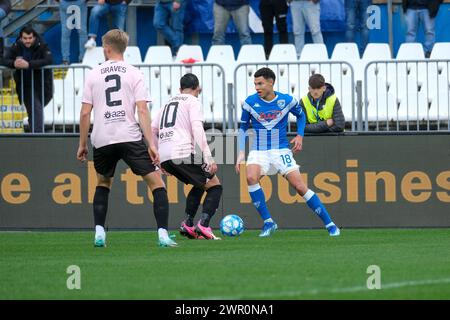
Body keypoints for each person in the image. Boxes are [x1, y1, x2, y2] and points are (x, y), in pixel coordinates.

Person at [77, 29, 177, 248]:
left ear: (106, 48)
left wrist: (83, 144)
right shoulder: (134, 73)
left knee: (103, 183)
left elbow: (85, 113)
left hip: (102, 138)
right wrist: (151, 143)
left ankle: (99, 233)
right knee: (157, 184)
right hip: (129, 136)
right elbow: (142, 111)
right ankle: (162, 235)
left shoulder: (93, 74)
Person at [235, 67, 340, 237]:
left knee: (300, 187)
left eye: (260, 83)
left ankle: (330, 224)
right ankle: (268, 222)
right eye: (255, 84)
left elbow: (301, 116)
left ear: (271, 82)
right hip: (259, 149)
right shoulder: (249, 102)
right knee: (250, 177)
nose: (257, 87)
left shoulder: (287, 100)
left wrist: (300, 135)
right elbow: (243, 128)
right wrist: (240, 151)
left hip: (280, 148)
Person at [151, 73, 223, 240]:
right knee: (215, 186)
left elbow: (152, 130)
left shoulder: (166, 104)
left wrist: (158, 158)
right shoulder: (193, 101)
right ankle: (203, 225)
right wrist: (207, 156)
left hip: (166, 156)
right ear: (198, 88)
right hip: (182, 151)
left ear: (180, 89)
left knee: (200, 184)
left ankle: (188, 224)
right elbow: (197, 128)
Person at [1, 26, 53, 133]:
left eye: (30, 38)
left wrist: (29, 64)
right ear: (21, 38)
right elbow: (3, 60)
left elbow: (49, 60)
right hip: (26, 85)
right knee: (35, 109)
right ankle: (38, 136)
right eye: (25, 38)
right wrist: (13, 63)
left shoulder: (41, 45)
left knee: (34, 111)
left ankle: (33, 133)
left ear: (34, 37)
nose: (27, 41)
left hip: (43, 84)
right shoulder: (16, 46)